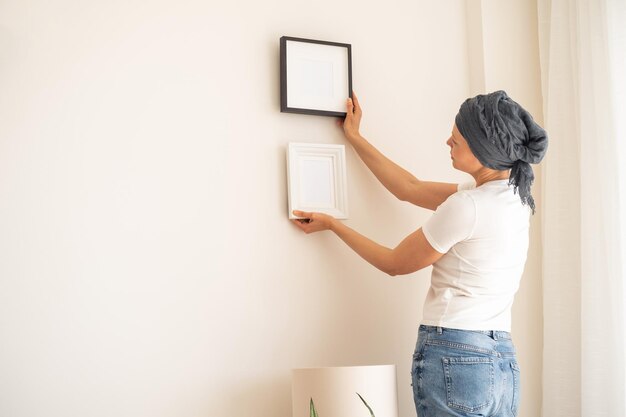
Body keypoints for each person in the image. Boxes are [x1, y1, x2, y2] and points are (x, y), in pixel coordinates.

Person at [291, 90, 548, 417]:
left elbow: (394, 263)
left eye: (456, 139)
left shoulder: (468, 206)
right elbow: (409, 188)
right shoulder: (514, 197)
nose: (447, 143)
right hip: (501, 359)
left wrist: (334, 226)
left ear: (483, 149)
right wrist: (355, 137)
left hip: (455, 351)